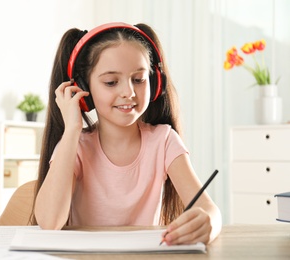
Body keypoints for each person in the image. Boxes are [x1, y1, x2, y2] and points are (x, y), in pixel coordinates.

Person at [33, 22, 222, 245]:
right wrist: (73, 128)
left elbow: (210, 210)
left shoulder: (164, 141)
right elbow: (49, 221)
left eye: (139, 80)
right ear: (84, 90)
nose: (128, 92)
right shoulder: (75, 146)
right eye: (111, 82)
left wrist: (209, 222)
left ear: (154, 82)